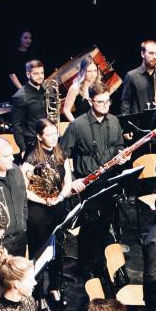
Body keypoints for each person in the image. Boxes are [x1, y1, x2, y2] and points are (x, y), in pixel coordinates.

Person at [63, 83, 129, 274]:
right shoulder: (77, 125)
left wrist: (121, 155)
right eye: (100, 102)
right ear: (90, 101)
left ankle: (101, 263)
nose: (105, 105)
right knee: (89, 226)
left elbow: (118, 145)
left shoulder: (114, 121)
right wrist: (71, 181)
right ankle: (85, 267)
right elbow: (61, 156)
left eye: (108, 101)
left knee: (105, 223)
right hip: (88, 184)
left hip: (110, 179)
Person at [22, 119, 72, 262]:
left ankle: (56, 277)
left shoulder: (60, 152)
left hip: (58, 206)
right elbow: (23, 189)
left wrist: (60, 197)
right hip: (38, 212)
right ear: (39, 137)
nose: (54, 137)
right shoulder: (32, 158)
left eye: (55, 133)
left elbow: (68, 181)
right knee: (39, 253)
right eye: (49, 135)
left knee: (58, 250)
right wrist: (44, 201)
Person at [119, 39, 156, 116]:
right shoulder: (131, 76)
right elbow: (126, 104)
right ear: (143, 54)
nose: (155, 57)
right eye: (151, 53)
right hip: (139, 121)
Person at [9, 59, 48, 150]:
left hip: (48, 138)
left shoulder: (45, 91)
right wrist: (22, 148)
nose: (40, 76)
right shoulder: (20, 96)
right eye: (36, 74)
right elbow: (17, 126)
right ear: (28, 74)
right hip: (32, 143)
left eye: (42, 73)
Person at [61, 57, 100, 121]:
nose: (93, 74)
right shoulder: (75, 88)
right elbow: (66, 110)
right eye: (89, 71)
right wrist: (76, 125)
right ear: (82, 71)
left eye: (95, 70)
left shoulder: (95, 85)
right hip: (81, 122)